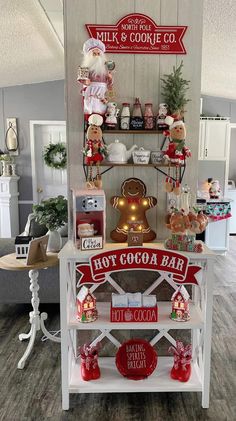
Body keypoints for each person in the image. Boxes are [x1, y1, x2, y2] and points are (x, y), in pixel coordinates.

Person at [77, 38, 113, 117]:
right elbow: (81, 77)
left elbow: (110, 86)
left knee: (101, 111)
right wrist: (86, 81)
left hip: (102, 93)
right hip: (91, 91)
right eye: (94, 54)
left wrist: (110, 78)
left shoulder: (105, 69)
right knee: (90, 111)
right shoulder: (86, 67)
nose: (97, 56)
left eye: (98, 54)